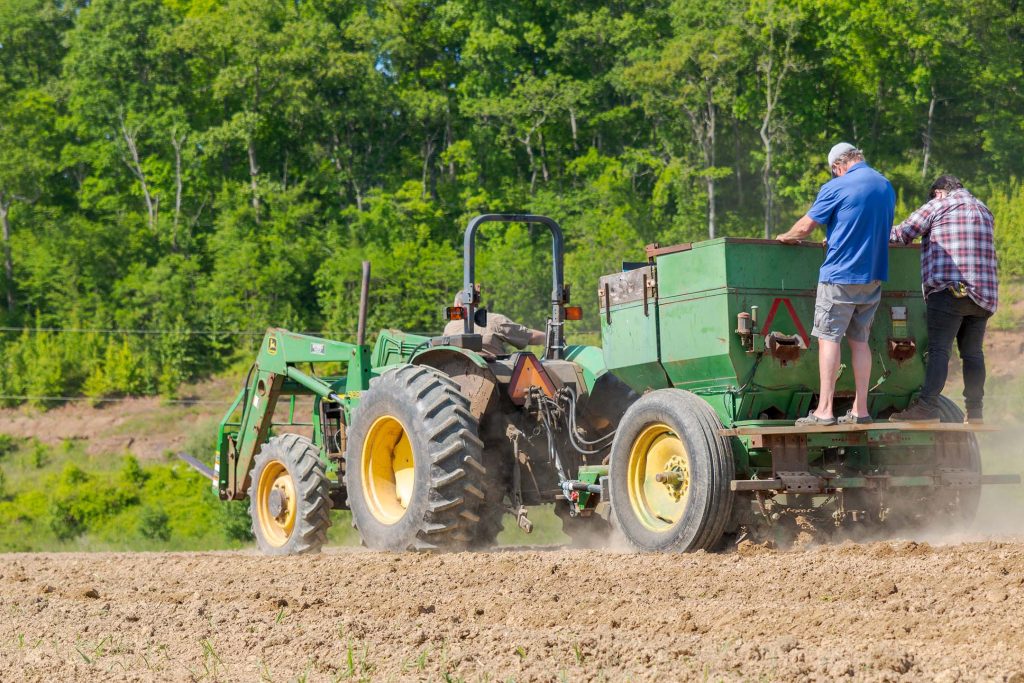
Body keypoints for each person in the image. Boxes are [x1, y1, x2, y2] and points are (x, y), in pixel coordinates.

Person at [777, 142, 896, 426]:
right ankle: (861, 410)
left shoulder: (836, 186)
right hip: (873, 277)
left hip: (840, 276)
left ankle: (825, 411)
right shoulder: (885, 186)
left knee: (829, 338)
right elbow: (864, 225)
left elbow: (805, 228)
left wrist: (786, 236)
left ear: (837, 166)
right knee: (860, 342)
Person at [888, 175, 997, 424]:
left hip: (949, 290)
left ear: (938, 192)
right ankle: (976, 411)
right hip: (982, 295)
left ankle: (927, 407)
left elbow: (901, 234)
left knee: (939, 350)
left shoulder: (939, 205)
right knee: (972, 354)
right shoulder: (984, 209)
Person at [442, 296, 546, 357]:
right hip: (492, 377)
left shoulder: (448, 328)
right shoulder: (494, 320)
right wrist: (551, 338)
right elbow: (529, 337)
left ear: (458, 305)